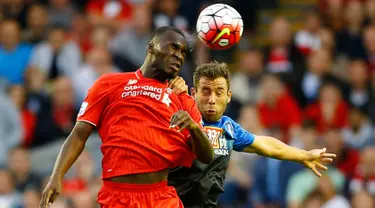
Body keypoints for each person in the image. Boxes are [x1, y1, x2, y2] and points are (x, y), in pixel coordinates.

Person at [39, 26, 214, 208]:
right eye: (173, 47)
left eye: (183, 52)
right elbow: (78, 134)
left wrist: (193, 127)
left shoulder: (182, 98)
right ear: (151, 47)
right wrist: (57, 175)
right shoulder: (109, 84)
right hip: (117, 197)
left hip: (160, 198)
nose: (179, 55)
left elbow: (207, 155)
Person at [167, 62, 336, 207]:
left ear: (228, 96)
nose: (212, 99)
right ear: (193, 93)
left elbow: (266, 145)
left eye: (219, 92)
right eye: (205, 91)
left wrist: (303, 155)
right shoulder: (179, 119)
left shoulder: (228, 127)